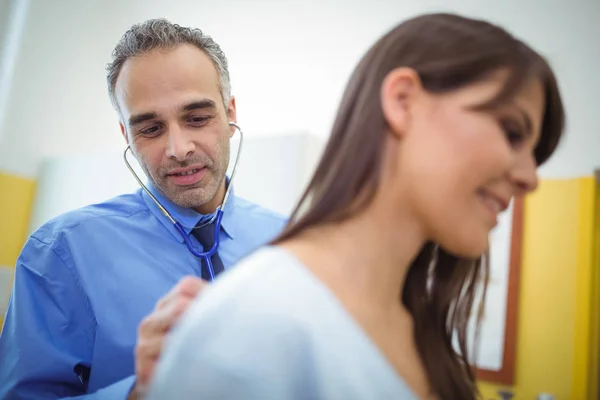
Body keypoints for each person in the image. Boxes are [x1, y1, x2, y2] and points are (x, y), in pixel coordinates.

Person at [146, 12, 565, 400]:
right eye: (512, 133)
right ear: (403, 101)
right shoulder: (252, 325)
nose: (530, 177)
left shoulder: (422, 327)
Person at [0, 19, 286, 399]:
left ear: (230, 114)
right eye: (150, 129)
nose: (178, 148)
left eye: (197, 118)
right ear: (126, 135)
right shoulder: (60, 251)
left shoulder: (291, 242)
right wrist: (138, 392)